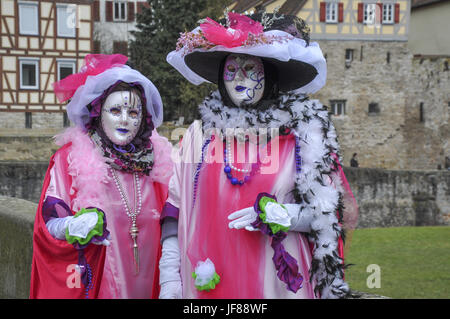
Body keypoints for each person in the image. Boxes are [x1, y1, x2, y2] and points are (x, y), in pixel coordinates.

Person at [158, 13, 358, 299]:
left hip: (279, 285)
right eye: (231, 69)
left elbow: (328, 215)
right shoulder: (198, 137)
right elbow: (174, 212)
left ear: (271, 73)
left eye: (250, 67)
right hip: (209, 282)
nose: (240, 77)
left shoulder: (301, 135)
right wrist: (169, 280)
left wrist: (286, 215)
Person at [30, 54, 173, 299]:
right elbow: (49, 220)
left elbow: (179, 215)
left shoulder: (157, 163)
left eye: (133, 112)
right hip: (100, 283)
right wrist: (71, 226)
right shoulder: (71, 159)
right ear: (98, 113)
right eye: (115, 110)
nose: (125, 120)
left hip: (152, 282)